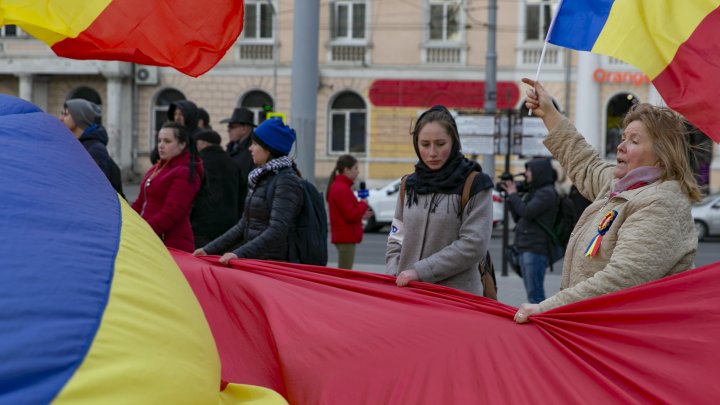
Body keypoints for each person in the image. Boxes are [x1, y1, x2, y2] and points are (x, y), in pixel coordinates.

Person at [514, 78, 701, 324]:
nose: (621, 146)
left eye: (634, 141)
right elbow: (585, 162)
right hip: (597, 328)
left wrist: (547, 308)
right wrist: (549, 114)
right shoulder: (621, 186)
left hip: (628, 341)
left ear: (662, 158)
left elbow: (622, 278)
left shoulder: (661, 202)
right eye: (623, 138)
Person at [385, 105, 494, 295]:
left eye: (440, 144)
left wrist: (420, 272)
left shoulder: (475, 184)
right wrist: (394, 273)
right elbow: (396, 237)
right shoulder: (408, 184)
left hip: (456, 298)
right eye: (425, 144)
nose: (432, 153)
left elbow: (473, 244)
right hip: (408, 295)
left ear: (453, 142)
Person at [193, 118, 303, 264]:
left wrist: (238, 254)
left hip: (273, 265)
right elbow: (244, 224)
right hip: (257, 260)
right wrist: (208, 249)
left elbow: (277, 230)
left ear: (269, 148)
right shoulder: (262, 177)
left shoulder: (286, 181)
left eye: (255, 144)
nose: (250, 148)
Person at [132, 121, 204, 252]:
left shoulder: (184, 172)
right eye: (159, 141)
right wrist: (128, 222)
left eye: (167, 141)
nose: (161, 145)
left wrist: (142, 230)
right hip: (149, 239)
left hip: (170, 243)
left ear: (182, 145)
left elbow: (171, 213)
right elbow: (140, 202)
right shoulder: (156, 167)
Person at [501, 157, 558, 304]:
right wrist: (510, 197)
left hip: (535, 250)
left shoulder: (546, 193)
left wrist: (513, 194)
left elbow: (526, 212)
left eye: (528, 170)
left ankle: (541, 323)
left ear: (538, 172)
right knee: (532, 294)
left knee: (535, 296)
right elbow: (519, 217)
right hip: (526, 248)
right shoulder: (535, 192)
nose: (526, 173)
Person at [60, 99, 125, 198]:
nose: (61, 118)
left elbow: (96, 189)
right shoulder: (76, 145)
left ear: (79, 118)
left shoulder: (95, 150)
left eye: (66, 114)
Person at [190, 129, 240, 248]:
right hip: (230, 225)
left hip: (202, 226)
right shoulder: (233, 163)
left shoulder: (198, 163)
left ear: (202, 144)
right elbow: (242, 195)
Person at [327, 154, 368, 270]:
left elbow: (347, 211)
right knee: (344, 273)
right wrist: (363, 203)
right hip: (345, 238)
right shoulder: (341, 188)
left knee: (344, 272)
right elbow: (351, 215)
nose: (358, 172)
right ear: (346, 170)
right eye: (355, 168)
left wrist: (362, 212)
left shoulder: (342, 187)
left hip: (345, 237)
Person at [221, 107, 256, 218]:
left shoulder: (253, 151)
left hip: (243, 209)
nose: (228, 130)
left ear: (245, 129)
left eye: (232, 127)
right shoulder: (231, 148)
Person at [151, 100, 201, 164]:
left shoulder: (199, 137)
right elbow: (154, 158)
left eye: (181, 114)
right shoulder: (170, 133)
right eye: (175, 114)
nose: (177, 118)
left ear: (190, 115)